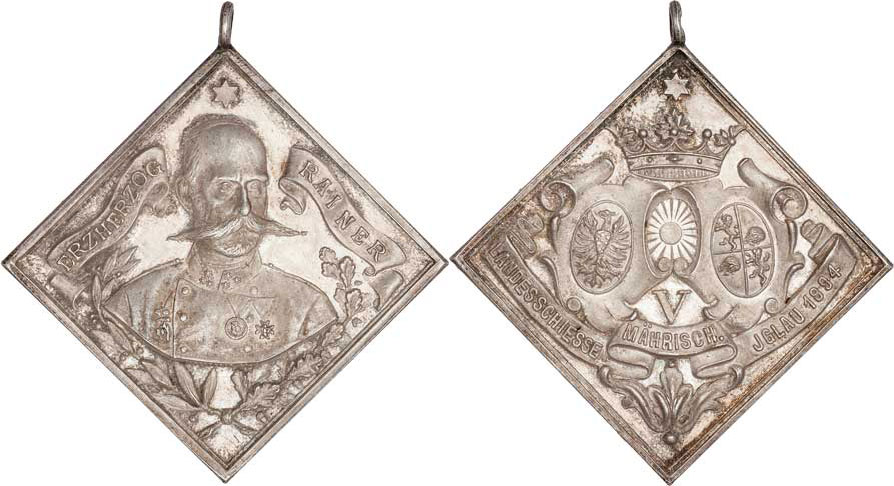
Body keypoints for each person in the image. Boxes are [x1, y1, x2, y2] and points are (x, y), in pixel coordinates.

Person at [106, 114, 337, 365]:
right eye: (225, 187)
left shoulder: (308, 311)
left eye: (256, 187)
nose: (245, 208)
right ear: (186, 194)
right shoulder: (133, 305)